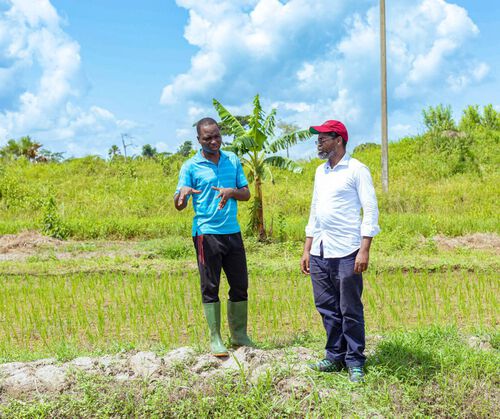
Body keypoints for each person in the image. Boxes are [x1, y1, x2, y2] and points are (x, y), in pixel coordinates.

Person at [300, 120, 380, 383]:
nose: (319, 142)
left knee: (350, 308)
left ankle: (355, 360)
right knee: (326, 306)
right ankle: (334, 356)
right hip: (320, 250)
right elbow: (314, 210)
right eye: (318, 138)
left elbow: (370, 210)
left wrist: (364, 250)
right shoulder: (319, 172)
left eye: (323, 138)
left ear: (339, 139)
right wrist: (307, 248)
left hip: (347, 250)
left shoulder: (357, 170)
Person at [174, 117, 253, 357]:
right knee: (211, 286)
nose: (214, 141)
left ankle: (239, 335)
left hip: (232, 231)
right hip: (206, 233)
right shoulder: (190, 166)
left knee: (240, 285)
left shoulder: (232, 160)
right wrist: (183, 195)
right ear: (199, 140)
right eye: (208, 138)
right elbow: (179, 203)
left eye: (217, 135)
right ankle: (215, 338)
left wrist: (232, 192)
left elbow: (247, 193)